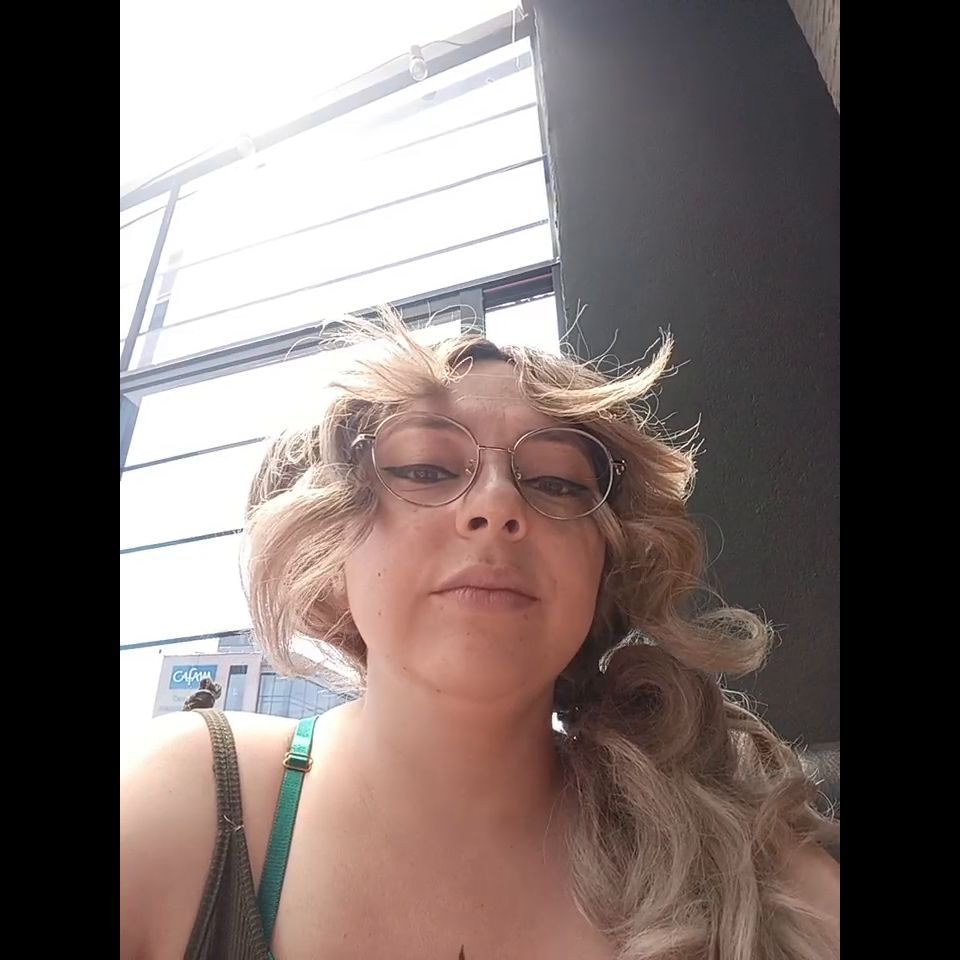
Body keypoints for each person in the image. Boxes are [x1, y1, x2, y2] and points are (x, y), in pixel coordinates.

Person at [120, 315, 840, 960]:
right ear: (331, 554)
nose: (496, 505)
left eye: (556, 483)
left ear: (604, 573)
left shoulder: (737, 847)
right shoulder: (182, 802)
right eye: (426, 469)